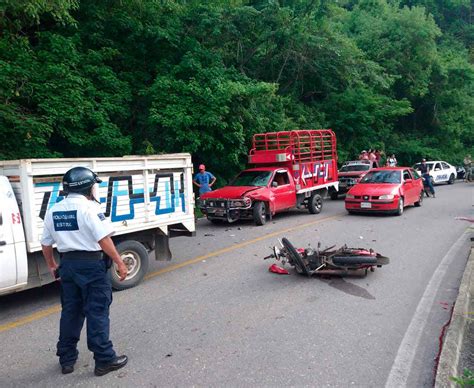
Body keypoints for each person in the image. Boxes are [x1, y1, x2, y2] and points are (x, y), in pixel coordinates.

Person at [41, 167, 129, 376]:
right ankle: (104, 360)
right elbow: (103, 239)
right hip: (91, 266)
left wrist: (53, 265)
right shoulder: (89, 209)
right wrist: (120, 262)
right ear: (88, 188)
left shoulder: (54, 210)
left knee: (70, 312)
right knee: (97, 311)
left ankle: (67, 359)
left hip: (68, 266)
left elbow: (46, 244)